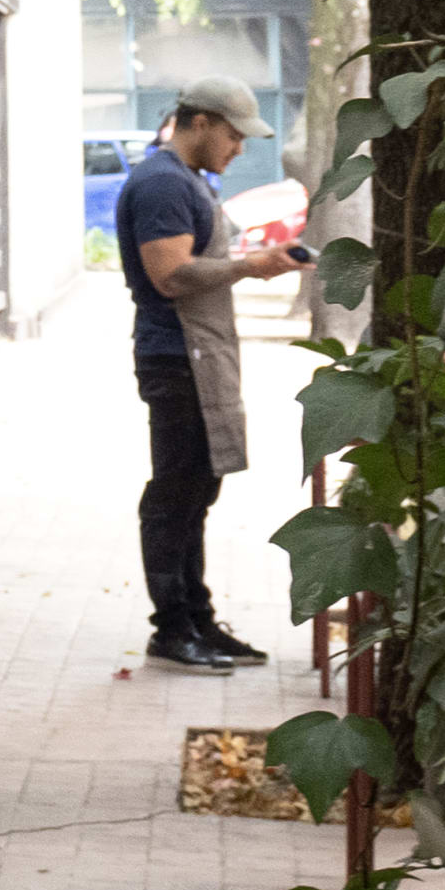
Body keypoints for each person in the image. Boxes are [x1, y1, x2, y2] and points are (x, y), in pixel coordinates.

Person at [118, 77, 308, 673]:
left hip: (196, 355)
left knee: (199, 489)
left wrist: (249, 264)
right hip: (177, 359)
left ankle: (196, 617)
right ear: (198, 122)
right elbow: (170, 275)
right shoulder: (161, 185)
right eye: (232, 135)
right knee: (175, 493)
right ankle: (171, 627)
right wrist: (249, 267)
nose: (239, 149)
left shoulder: (189, 182)